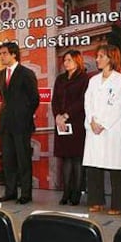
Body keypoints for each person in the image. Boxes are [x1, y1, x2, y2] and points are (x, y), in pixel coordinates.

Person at [82, 44, 121, 215]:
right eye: (97, 56)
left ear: (111, 57)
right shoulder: (93, 80)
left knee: (115, 167)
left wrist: (103, 123)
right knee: (94, 166)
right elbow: (88, 103)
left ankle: (118, 204)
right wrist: (92, 121)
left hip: (111, 129)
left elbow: (120, 105)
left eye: (101, 56)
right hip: (94, 129)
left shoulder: (120, 80)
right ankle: (96, 201)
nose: (97, 59)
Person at [0, 42, 40, 205]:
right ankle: (10, 192)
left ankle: (26, 194)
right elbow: (3, 97)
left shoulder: (26, 73)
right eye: (0, 53)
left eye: (5, 53)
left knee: (23, 159)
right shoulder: (0, 74)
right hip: (5, 123)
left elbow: (35, 98)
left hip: (22, 123)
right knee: (7, 159)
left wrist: (24, 114)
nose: (2, 56)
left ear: (14, 54)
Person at [51, 50, 89, 206]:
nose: (65, 63)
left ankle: (76, 194)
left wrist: (67, 115)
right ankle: (65, 193)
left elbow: (82, 101)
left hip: (77, 122)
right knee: (65, 158)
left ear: (77, 61)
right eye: (65, 60)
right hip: (61, 124)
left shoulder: (84, 78)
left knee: (77, 159)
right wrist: (58, 116)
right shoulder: (60, 79)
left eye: (69, 60)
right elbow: (55, 100)